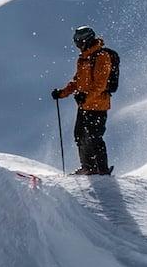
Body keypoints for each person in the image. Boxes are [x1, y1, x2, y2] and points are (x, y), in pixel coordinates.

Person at [51, 26, 120, 175]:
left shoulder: (101, 57)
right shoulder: (83, 58)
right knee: (80, 136)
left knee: (94, 138)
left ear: (86, 40)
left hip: (98, 106)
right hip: (84, 106)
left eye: (79, 42)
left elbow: (100, 85)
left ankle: (101, 170)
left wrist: (86, 97)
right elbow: (77, 81)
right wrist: (62, 93)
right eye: (76, 42)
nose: (77, 46)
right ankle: (88, 167)